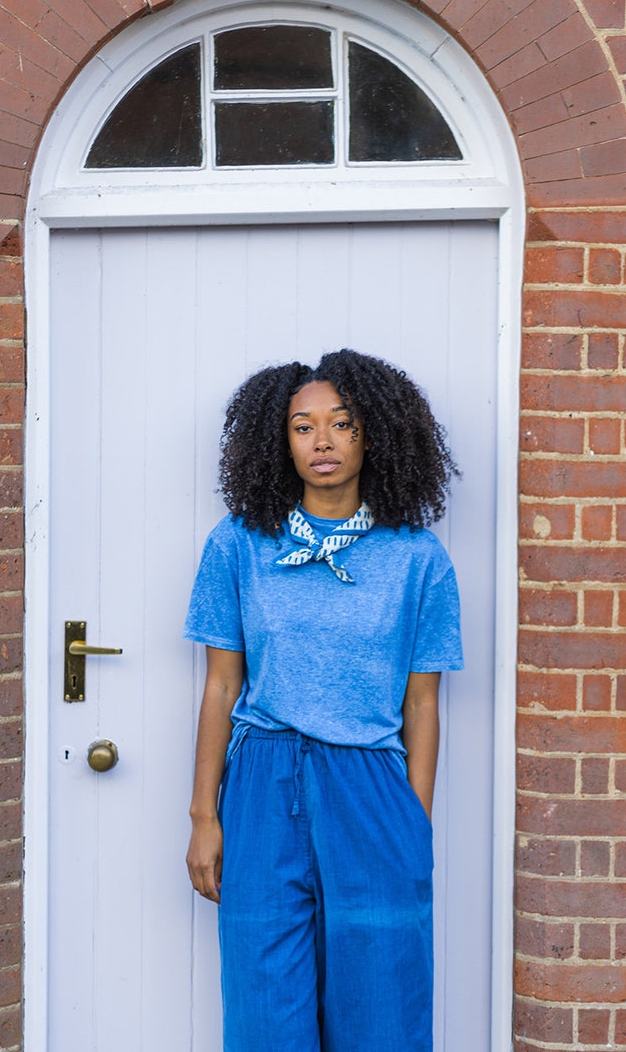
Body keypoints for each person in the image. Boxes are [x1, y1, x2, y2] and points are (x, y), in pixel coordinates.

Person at [184, 348, 463, 1052]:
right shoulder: (238, 545)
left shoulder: (418, 558)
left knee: (382, 1007)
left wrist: (413, 819)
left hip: (371, 783)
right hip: (261, 783)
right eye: (303, 426)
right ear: (279, 440)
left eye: (342, 423)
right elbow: (221, 684)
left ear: (374, 433)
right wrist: (203, 816)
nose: (323, 442)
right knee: (264, 1003)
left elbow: (423, 703)